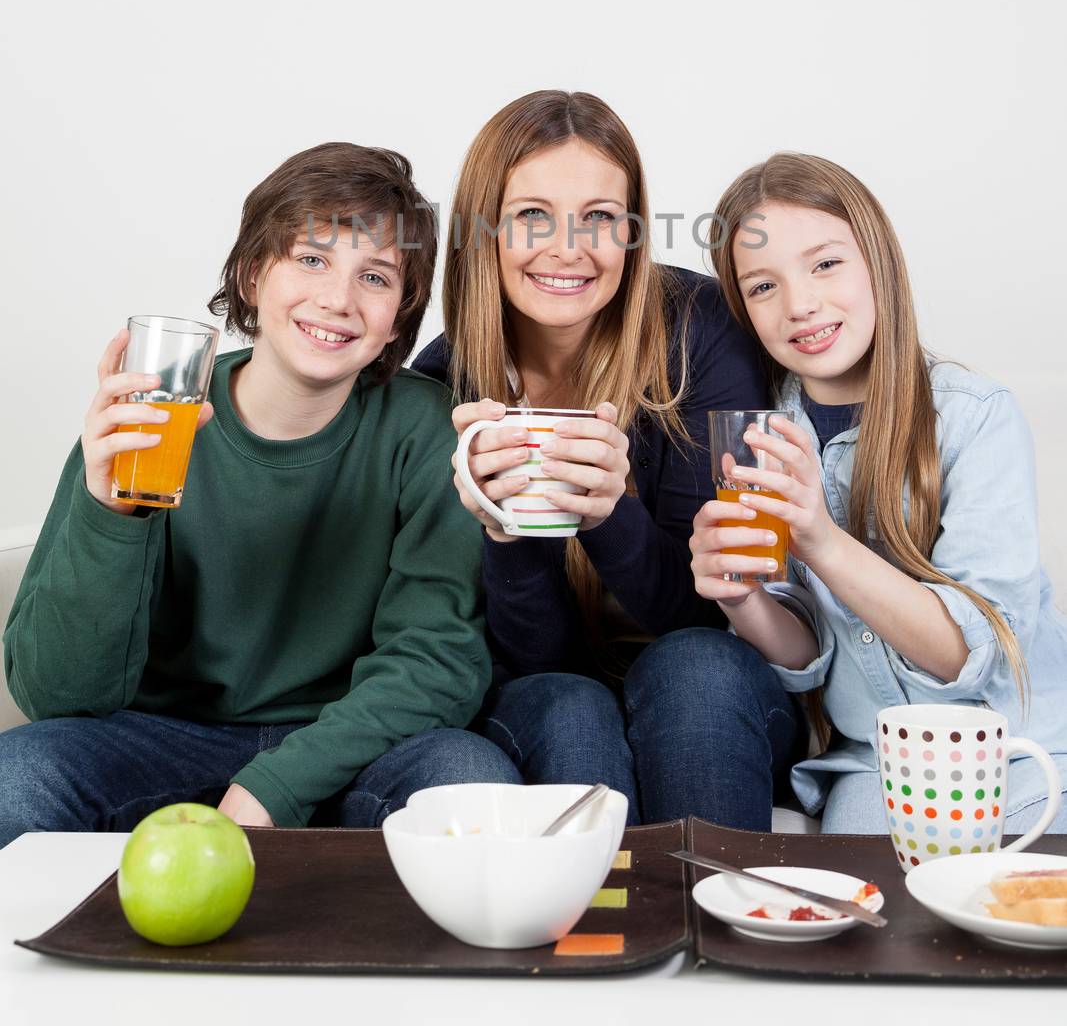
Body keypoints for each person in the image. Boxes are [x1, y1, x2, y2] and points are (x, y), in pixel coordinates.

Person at [0, 142, 517, 848]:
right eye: (310, 259)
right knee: (19, 777)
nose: (337, 299)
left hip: (348, 740)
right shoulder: (154, 416)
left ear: (399, 318)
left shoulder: (423, 428)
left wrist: (275, 785)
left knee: (468, 776)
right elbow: (57, 697)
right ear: (250, 276)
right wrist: (110, 516)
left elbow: (436, 662)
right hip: (162, 736)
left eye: (373, 276)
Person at [412, 90, 804, 827]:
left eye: (598, 217)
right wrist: (509, 532)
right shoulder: (440, 386)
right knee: (569, 706)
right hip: (553, 690)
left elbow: (714, 609)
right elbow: (538, 661)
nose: (569, 248)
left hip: (708, 681)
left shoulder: (701, 329)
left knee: (691, 667)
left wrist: (607, 515)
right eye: (532, 215)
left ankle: (723, 927)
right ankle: (599, 934)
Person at [690, 151, 1067, 832]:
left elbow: (965, 655)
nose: (800, 304)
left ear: (877, 262)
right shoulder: (754, 430)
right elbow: (805, 657)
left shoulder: (972, 416)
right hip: (877, 761)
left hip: (1021, 751)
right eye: (761, 286)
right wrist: (742, 599)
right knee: (870, 910)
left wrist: (821, 539)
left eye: (825, 263)